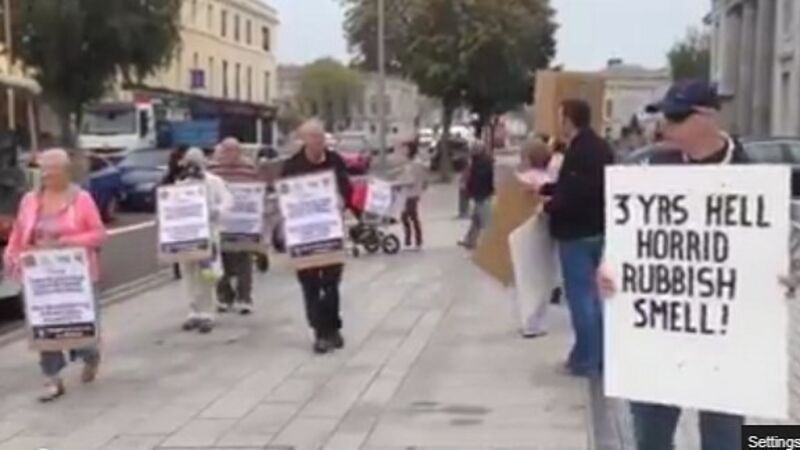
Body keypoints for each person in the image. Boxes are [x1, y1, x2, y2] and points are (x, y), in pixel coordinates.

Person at [598, 80, 745, 450]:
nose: (666, 126)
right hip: (659, 334)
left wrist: (783, 276)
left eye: (676, 118)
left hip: (724, 339)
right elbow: (626, 237)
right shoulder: (649, 167)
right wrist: (609, 268)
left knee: (725, 438)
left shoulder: (751, 173)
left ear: (708, 117)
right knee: (650, 434)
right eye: (664, 117)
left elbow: (772, 250)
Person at [4, 148, 107, 402]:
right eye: (43, 170)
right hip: (40, 278)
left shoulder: (81, 199)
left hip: (77, 278)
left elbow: (98, 234)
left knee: (82, 332)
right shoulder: (30, 200)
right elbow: (19, 233)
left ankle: (90, 355)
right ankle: (52, 378)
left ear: (65, 171)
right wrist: (13, 257)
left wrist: (65, 242)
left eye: (52, 170)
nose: (46, 175)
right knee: (45, 328)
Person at [537, 99, 613, 377]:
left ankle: (586, 359)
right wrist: (547, 189)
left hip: (576, 233)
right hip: (599, 229)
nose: (560, 124)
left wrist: (548, 206)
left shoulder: (578, 151)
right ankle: (597, 354)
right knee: (597, 297)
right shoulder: (602, 148)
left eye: (561, 118)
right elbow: (577, 186)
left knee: (581, 298)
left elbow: (574, 194)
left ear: (569, 120)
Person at [281, 120, 353, 355]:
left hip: (330, 232)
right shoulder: (292, 166)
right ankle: (320, 332)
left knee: (331, 283)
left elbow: (347, 188)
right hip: (304, 236)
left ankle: (333, 327)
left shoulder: (335, 161)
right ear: (303, 140)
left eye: (320, 137)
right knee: (310, 284)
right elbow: (285, 197)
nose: (317, 142)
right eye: (312, 137)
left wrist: (342, 199)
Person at [177, 148, 232, 334]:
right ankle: (193, 311)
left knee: (207, 274)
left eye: (196, 162)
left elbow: (228, 200)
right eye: (189, 163)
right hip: (187, 237)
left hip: (208, 235)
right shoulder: (181, 185)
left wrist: (217, 211)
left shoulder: (215, 182)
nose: (193, 167)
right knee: (188, 274)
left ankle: (207, 312)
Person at [208, 137, 261, 315]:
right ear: (221, 151)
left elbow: (257, 191)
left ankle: (244, 298)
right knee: (220, 260)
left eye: (234, 151)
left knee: (244, 260)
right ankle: (224, 296)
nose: (230, 154)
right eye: (227, 150)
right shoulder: (212, 169)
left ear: (239, 152)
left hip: (243, 223)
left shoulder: (249, 168)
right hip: (220, 223)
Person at [458, 142, 494, 249]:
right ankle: (469, 240)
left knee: (485, 221)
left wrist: (469, 191)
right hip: (482, 194)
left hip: (482, 195)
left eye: (474, 149)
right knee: (477, 219)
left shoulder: (480, 163)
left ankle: (489, 243)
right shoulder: (481, 162)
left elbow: (477, 180)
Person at [162, 145, 189, 280]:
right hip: (182, 212)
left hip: (176, 213)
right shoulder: (185, 175)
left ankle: (177, 268)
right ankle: (178, 268)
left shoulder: (169, 177)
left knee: (177, 240)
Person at [398, 139, 428, 249]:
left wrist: (399, 184)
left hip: (412, 194)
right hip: (410, 193)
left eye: (405, 150)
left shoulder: (415, 164)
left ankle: (413, 240)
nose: (403, 152)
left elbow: (411, 180)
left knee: (409, 216)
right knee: (410, 216)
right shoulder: (411, 163)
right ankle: (412, 240)